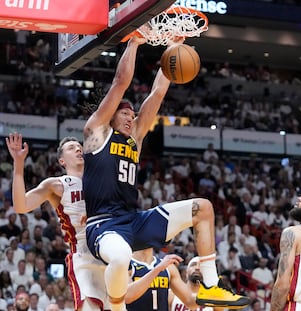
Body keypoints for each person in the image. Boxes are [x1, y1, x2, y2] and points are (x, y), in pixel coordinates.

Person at [82, 35, 249, 311]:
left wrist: (172, 50)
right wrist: (134, 43)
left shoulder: (133, 140)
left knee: (203, 208)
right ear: (110, 115)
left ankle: (211, 286)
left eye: (133, 113)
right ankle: (116, 307)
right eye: (125, 112)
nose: (131, 116)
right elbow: (120, 82)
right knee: (122, 256)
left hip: (132, 221)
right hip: (103, 226)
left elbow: (157, 92)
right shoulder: (96, 133)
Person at [6, 133, 108, 311]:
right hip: (83, 254)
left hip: (108, 253)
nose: (78, 149)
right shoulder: (57, 185)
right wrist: (19, 164)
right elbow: (20, 206)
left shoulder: (101, 181)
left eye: (79, 147)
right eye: (71, 147)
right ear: (62, 161)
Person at [125, 248, 198, 311]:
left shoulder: (168, 267)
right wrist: (158, 269)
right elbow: (127, 297)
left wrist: (208, 283)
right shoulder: (126, 264)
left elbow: (190, 303)